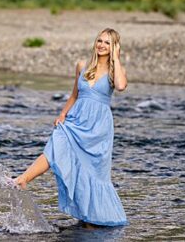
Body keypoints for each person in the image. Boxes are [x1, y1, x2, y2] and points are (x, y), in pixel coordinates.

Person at [13, 28, 129, 227]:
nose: (101, 45)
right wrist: (62, 113)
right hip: (76, 119)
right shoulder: (82, 65)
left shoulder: (114, 71)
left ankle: (91, 217)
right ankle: (23, 179)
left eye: (108, 43)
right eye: (99, 40)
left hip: (98, 128)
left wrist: (116, 58)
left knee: (93, 172)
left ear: (114, 47)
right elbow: (75, 95)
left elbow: (120, 86)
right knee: (56, 144)